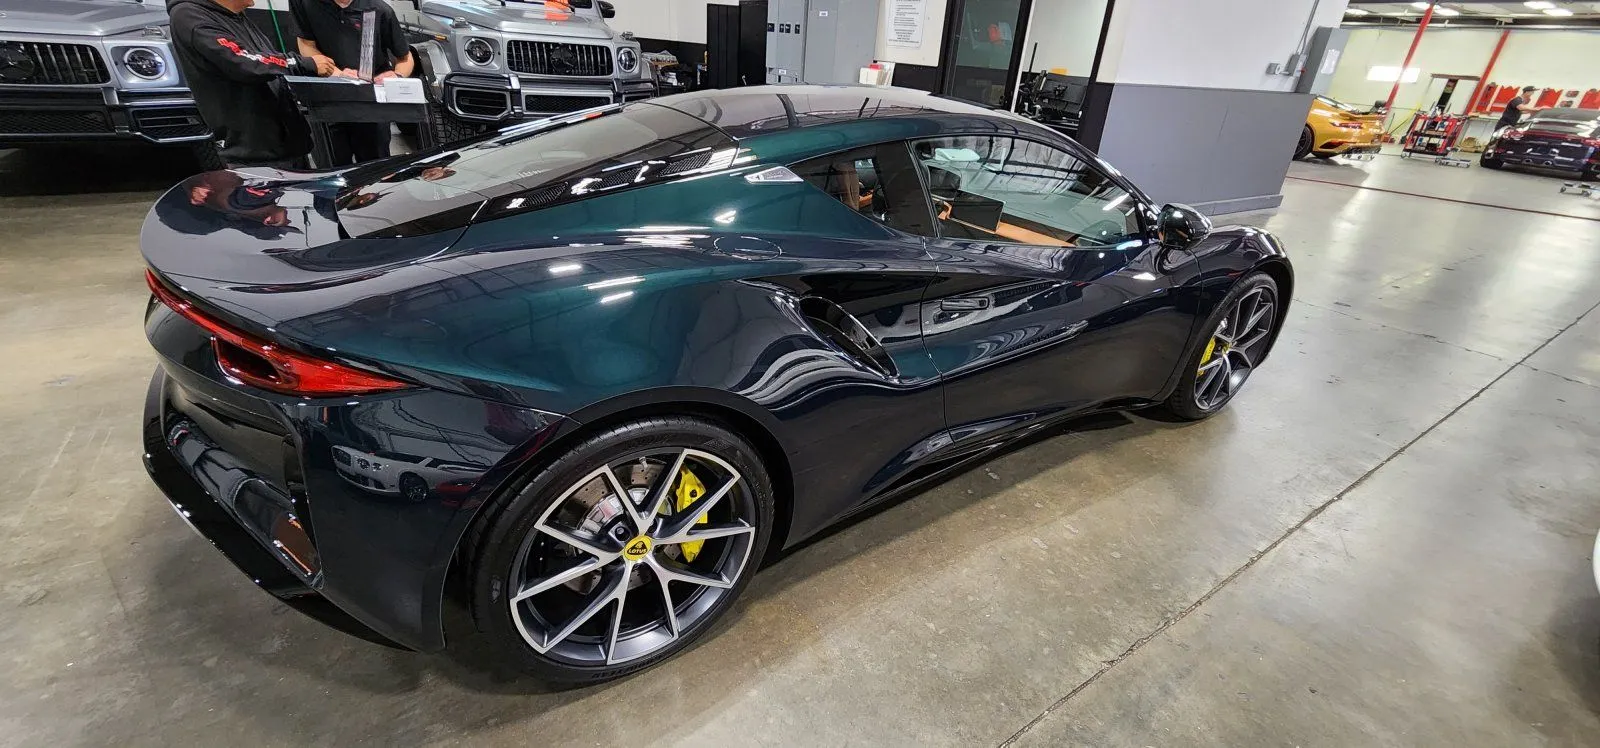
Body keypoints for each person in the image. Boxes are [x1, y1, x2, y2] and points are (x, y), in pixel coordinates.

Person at [167, 0, 339, 168]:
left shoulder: (234, 16)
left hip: (284, 145)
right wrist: (304, 63)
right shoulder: (189, 15)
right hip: (254, 155)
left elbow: (264, 62)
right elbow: (246, 63)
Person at [289, 0, 415, 164]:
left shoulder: (380, 9)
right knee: (332, 168)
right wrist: (337, 73)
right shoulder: (305, 3)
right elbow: (306, 44)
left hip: (369, 103)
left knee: (375, 167)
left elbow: (405, 58)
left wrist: (397, 76)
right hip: (327, 101)